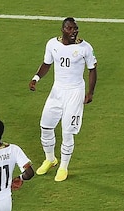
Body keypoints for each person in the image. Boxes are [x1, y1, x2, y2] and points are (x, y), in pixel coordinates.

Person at [28, 17, 97, 182]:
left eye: (76, 29)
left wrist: (90, 92)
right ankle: (50, 159)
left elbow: (92, 70)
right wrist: (36, 78)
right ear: (63, 29)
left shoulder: (85, 48)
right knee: (45, 126)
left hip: (75, 93)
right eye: (70, 29)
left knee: (67, 132)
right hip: (57, 91)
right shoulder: (52, 44)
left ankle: (63, 167)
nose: (74, 32)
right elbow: (47, 64)